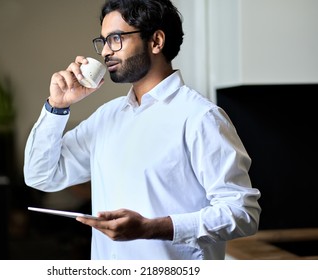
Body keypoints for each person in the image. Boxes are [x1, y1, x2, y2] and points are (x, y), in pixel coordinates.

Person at [24, 0, 261, 260]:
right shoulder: (106, 117)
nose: (104, 52)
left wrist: (151, 228)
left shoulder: (200, 118)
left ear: (156, 41)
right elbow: (41, 176)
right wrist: (57, 106)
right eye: (103, 41)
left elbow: (242, 213)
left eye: (115, 38)